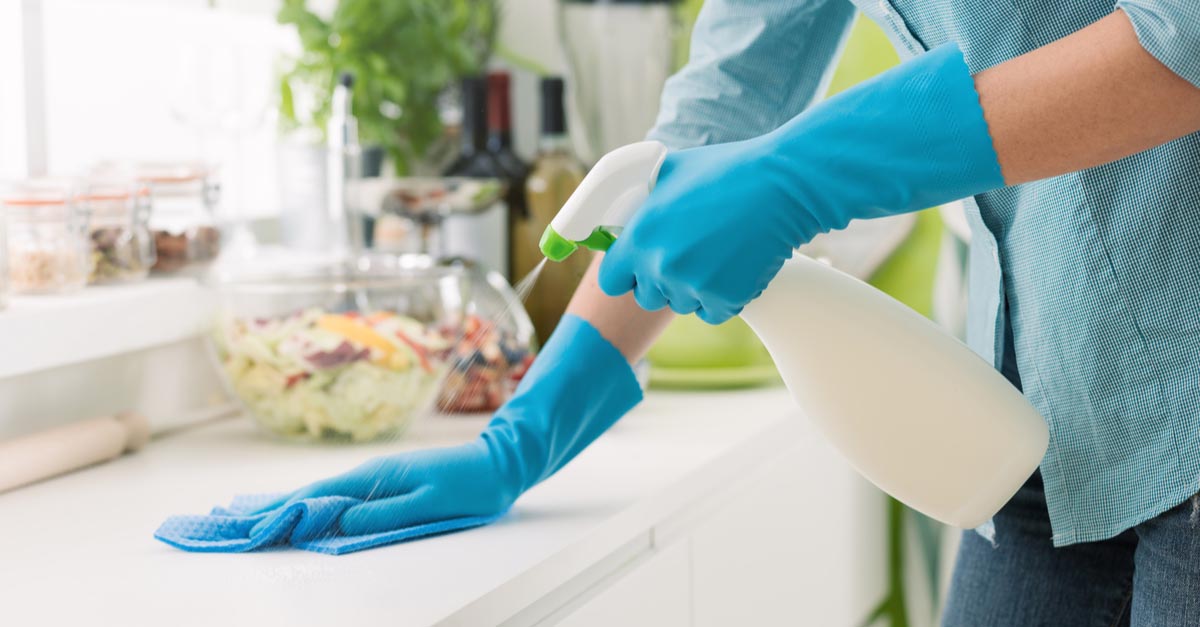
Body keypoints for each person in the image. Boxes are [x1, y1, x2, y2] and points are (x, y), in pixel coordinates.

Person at [259, 2, 1200, 624]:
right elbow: (727, 100)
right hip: (1050, 412)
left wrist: (810, 169)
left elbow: (1182, 32)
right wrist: (526, 434)